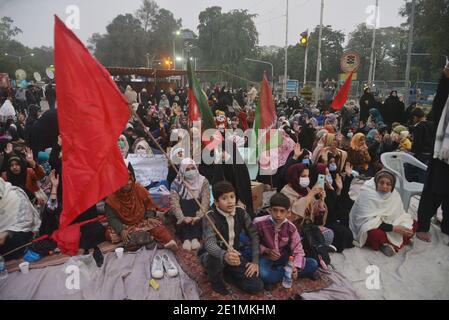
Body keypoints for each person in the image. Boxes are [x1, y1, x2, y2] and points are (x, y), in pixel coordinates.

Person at [199, 181, 263, 295]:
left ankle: (229, 273)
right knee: (213, 258)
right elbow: (209, 244)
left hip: (234, 254)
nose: (230, 201)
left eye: (232, 197)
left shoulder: (241, 213)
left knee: (256, 285)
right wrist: (224, 255)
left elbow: (254, 236)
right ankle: (215, 280)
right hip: (215, 256)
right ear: (217, 202)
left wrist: (255, 261)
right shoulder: (210, 216)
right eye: (224, 198)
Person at [105, 163, 177, 250]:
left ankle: (164, 242)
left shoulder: (139, 189)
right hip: (124, 225)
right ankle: (146, 239)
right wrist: (121, 230)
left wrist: (150, 217)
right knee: (109, 235)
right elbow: (111, 218)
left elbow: (149, 205)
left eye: (129, 179)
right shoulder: (111, 198)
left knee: (157, 225)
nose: (128, 183)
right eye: (124, 181)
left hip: (142, 221)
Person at [253, 193, 319, 287]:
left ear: (288, 212)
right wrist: (267, 250)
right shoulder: (258, 223)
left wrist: (295, 267)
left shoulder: (291, 228)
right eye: (275, 210)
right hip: (265, 257)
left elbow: (298, 249)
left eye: (282, 211)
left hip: (284, 257)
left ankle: (277, 276)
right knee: (264, 274)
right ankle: (283, 274)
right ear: (270, 210)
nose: (278, 215)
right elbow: (251, 243)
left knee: (313, 264)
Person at [416, 65, 449, 242]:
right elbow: (439, 104)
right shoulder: (445, 100)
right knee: (434, 190)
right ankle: (423, 225)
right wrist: (445, 78)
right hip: (442, 154)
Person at [349, 170, 416, 256]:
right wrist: (395, 229)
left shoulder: (394, 194)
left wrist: (402, 226)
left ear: (392, 186)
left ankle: (391, 242)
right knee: (374, 234)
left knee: (413, 223)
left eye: (388, 184)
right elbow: (367, 221)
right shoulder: (367, 194)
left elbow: (400, 215)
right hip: (372, 225)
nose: (384, 186)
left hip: (390, 224)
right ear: (376, 182)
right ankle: (390, 243)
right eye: (381, 183)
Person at [280, 164, 334, 245]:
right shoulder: (285, 192)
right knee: (322, 237)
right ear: (295, 176)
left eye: (308, 176)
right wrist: (311, 193)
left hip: (308, 227)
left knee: (329, 234)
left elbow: (314, 210)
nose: (307, 179)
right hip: (293, 230)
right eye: (303, 176)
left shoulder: (306, 189)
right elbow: (294, 212)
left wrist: (321, 201)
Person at [170, 158, 210, 251]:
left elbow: (205, 201)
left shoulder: (203, 181)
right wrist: (182, 218)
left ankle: (195, 237)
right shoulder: (176, 184)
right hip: (183, 213)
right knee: (185, 203)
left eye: (193, 168)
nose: (191, 171)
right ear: (182, 171)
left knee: (195, 202)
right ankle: (186, 238)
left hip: (198, 213)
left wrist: (199, 216)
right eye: (187, 169)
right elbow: (174, 204)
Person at [0, 177, 41, 261]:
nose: (15, 167)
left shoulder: (15, 194)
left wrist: (8, 231)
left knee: (17, 241)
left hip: (23, 233)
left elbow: (27, 220)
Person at [407, 107, 434, 183]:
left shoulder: (419, 127)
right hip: (430, 154)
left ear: (415, 117)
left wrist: (411, 151)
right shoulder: (432, 124)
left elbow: (417, 144)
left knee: (408, 166)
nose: (413, 120)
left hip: (421, 155)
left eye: (413, 118)